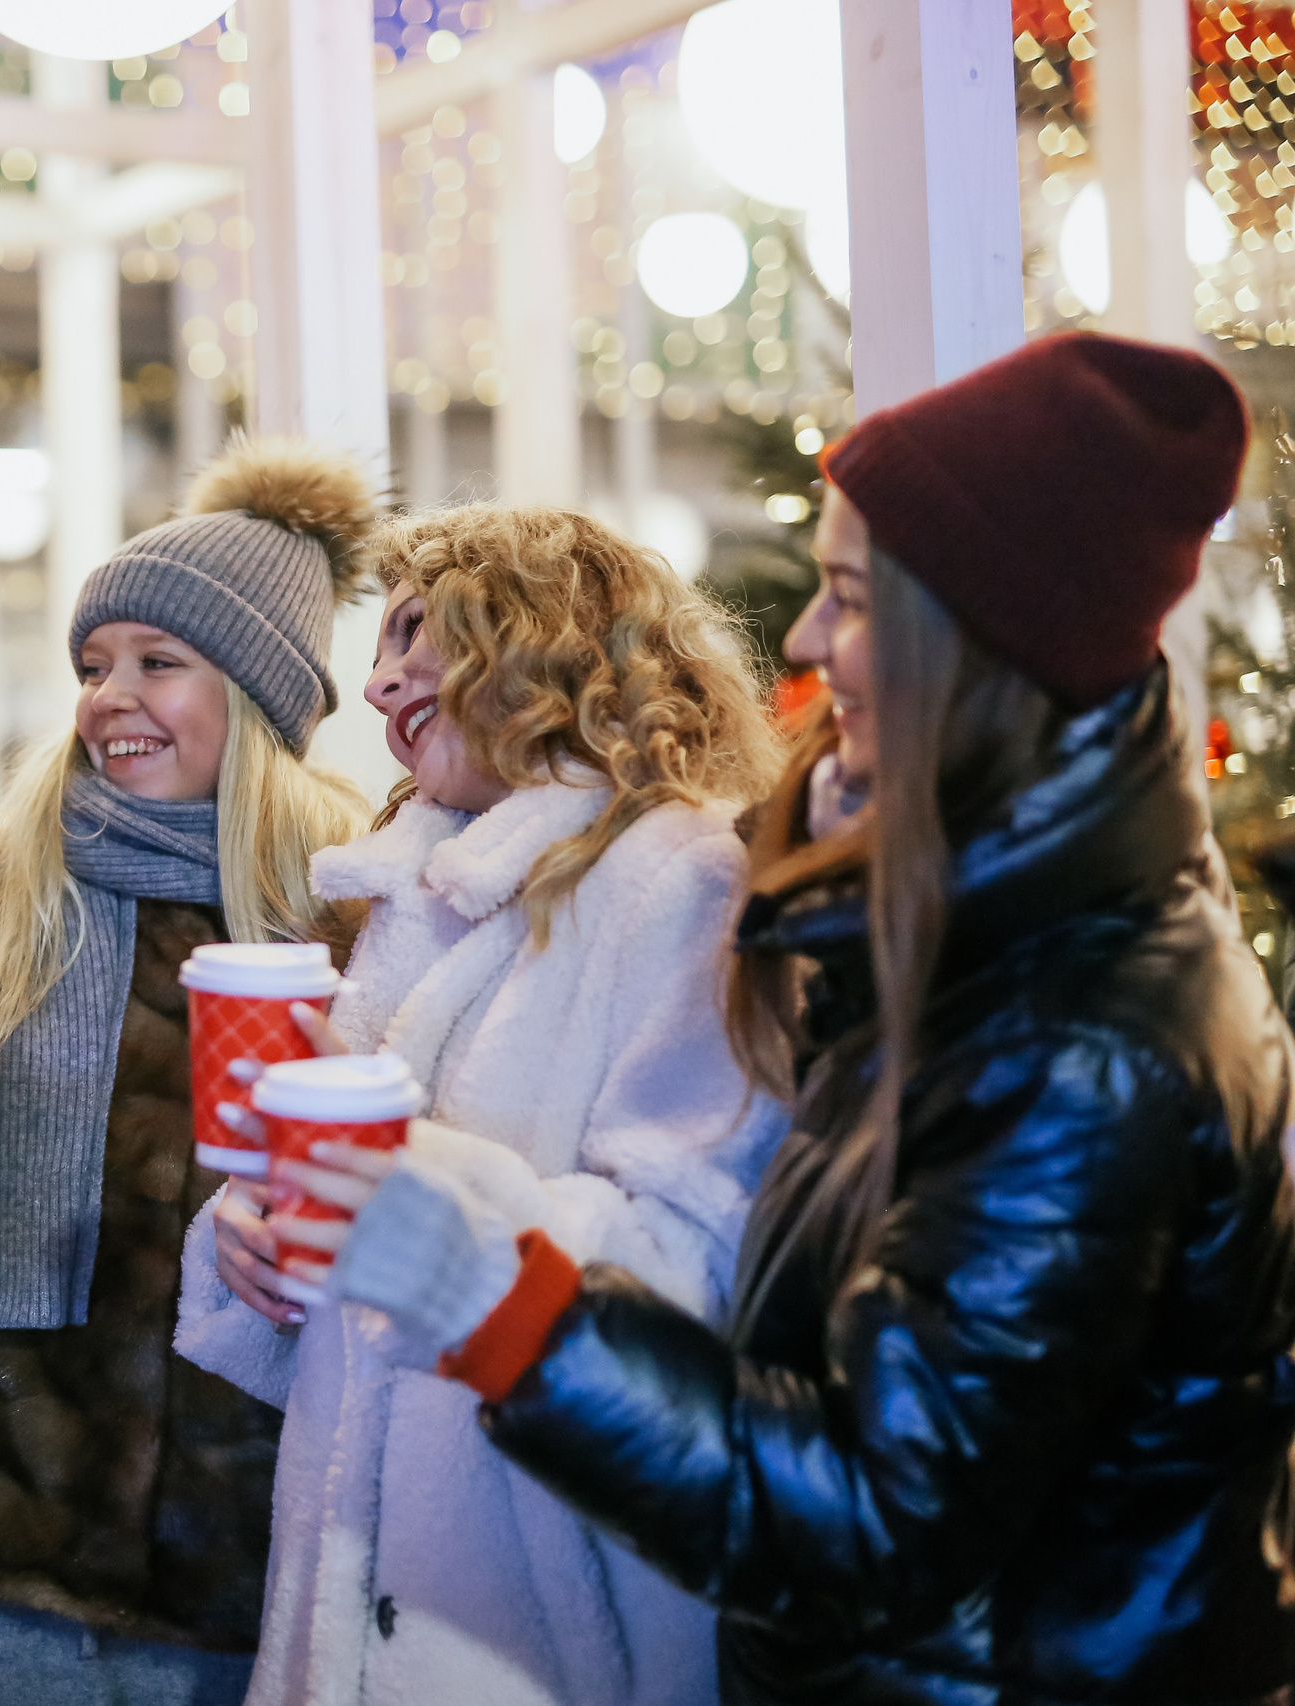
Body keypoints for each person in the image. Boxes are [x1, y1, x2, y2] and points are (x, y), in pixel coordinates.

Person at [330, 333, 1295, 1705]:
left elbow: (875, 1517)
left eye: (847, 597)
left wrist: (510, 1301)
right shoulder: (961, 927)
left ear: (966, 633)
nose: (802, 638)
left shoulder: (1078, 1030)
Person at [173, 503, 787, 1705]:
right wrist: (257, 1240)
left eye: (418, 633)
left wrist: (401, 1196)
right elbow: (352, 1254)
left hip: (550, 1586)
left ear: (535, 639)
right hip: (356, 1571)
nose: (375, 678)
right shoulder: (425, 887)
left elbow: (697, 1260)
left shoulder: (680, 873)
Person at [0, 436, 374, 1705]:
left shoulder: (341, 924)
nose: (109, 694)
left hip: (252, 1571)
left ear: (258, 701)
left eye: (156, 663)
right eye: (92, 663)